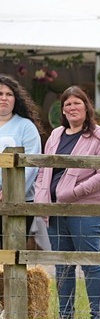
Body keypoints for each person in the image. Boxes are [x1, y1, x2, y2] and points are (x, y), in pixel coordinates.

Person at [34, 87, 100, 319]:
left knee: (90, 263)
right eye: (67, 104)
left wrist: (73, 193)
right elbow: (43, 169)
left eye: (77, 103)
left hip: (84, 210)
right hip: (55, 210)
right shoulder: (56, 135)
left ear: (87, 106)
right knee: (63, 264)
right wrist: (42, 195)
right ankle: (65, 317)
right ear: (62, 110)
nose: (72, 108)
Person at [0, 74, 44, 229]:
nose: (4, 98)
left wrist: (9, 191)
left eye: (9, 94)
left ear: (15, 99)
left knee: (11, 249)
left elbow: (32, 164)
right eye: (0, 94)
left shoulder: (26, 127)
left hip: (19, 199)